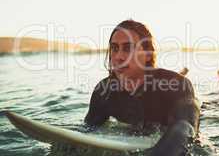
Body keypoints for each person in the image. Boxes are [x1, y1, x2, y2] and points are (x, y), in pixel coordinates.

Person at [84, 20, 200, 156]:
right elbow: (88, 131)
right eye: (114, 48)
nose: (119, 57)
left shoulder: (177, 85)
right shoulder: (103, 91)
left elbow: (187, 128)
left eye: (128, 48)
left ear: (148, 54)